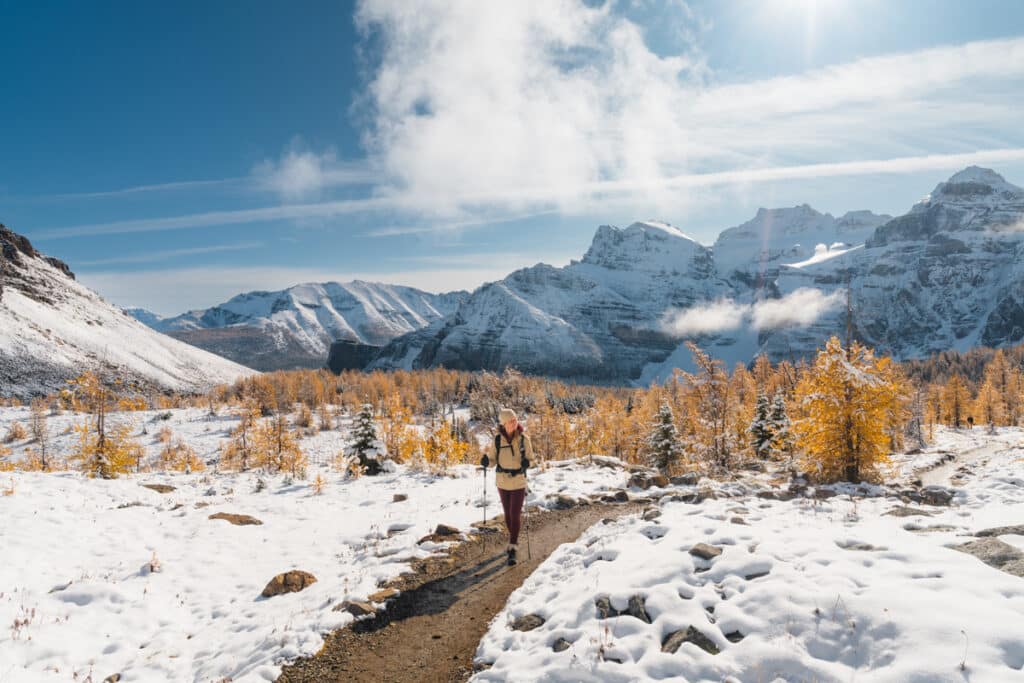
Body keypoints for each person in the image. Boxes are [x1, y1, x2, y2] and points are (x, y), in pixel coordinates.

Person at [480, 407, 534, 565]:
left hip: (518, 481)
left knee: (515, 513)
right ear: (504, 424)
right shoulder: (497, 440)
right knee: (508, 515)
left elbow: (531, 458)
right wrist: (485, 462)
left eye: (515, 420)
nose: (514, 423)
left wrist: (527, 463)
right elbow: (492, 459)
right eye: (510, 421)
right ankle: (514, 538)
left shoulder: (524, 439)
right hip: (502, 482)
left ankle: (513, 546)